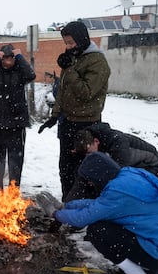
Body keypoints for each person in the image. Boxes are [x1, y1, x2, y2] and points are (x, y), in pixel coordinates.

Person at [39, 152, 158, 274]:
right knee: (107, 226)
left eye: (90, 179)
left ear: (98, 175)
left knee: (98, 232)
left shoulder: (118, 192)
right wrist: (67, 207)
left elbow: (84, 218)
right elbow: (98, 205)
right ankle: (146, 268)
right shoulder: (127, 177)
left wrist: (55, 214)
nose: (90, 183)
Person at [38, 20, 111, 202]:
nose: (69, 47)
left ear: (82, 39)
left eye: (71, 42)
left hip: (87, 125)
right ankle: (68, 205)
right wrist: (55, 115)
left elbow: (86, 93)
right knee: (66, 168)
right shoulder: (74, 57)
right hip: (68, 122)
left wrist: (69, 70)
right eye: (66, 43)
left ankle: (84, 209)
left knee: (83, 170)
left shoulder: (97, 62)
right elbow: (63, 90)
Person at [66, 122, 158, 201]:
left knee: (121, 187)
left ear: (96, 141)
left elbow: (119, 173)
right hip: (130, 165)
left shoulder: (118, 142)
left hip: (150, 166)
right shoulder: (89, 143)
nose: (87, 157)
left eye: (88, 153)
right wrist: (69, 204)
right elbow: (81, 176)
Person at [0, 44, 36, 190]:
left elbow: (31, 75)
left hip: (16, 124)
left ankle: (14, 192)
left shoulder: (20, 71)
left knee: (16, 161)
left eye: (10, 58)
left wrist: (20, 57)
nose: (7, 62)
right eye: (4, 58)